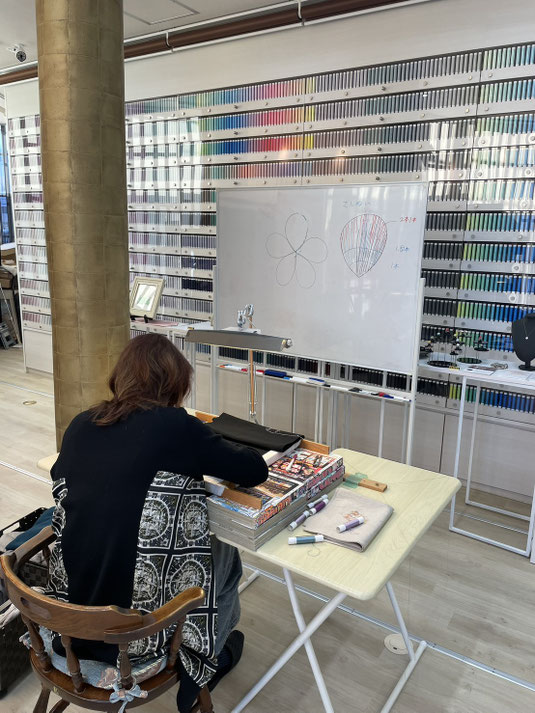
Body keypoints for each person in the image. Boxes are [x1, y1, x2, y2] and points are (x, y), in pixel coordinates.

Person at [46, 334, 268, 712]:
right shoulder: (176, 426)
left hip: (69, 619)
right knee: (225, 557)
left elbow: (60, 477)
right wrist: (207, 439)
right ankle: (207, 659)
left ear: (121, 377)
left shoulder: (82, 423)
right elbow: (254, 469)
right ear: (176, 383)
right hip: (136, 636)